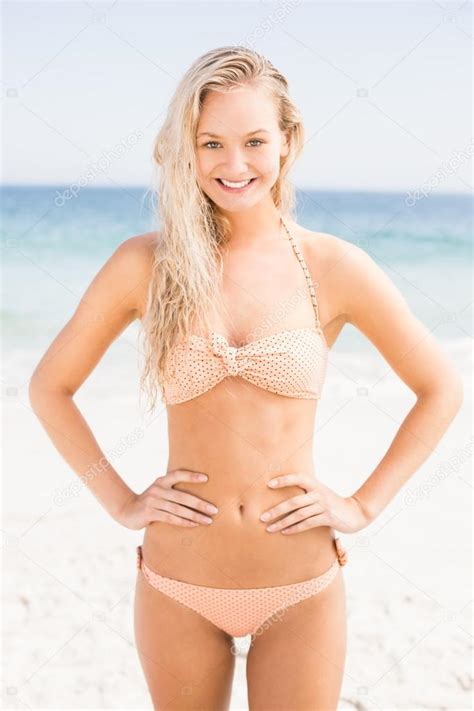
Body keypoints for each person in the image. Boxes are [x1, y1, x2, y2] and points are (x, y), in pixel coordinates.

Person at [29, 46, 464, 710]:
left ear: (288, 142)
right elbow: (49, 387)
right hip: (177, 584)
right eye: (212, 143)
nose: (235, 164)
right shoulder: (147, 263)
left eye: (255, 140)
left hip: (301, 588)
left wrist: (362, 504)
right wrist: (119, 501)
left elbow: (442, 387)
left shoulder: (333, 265)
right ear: (186, 148)